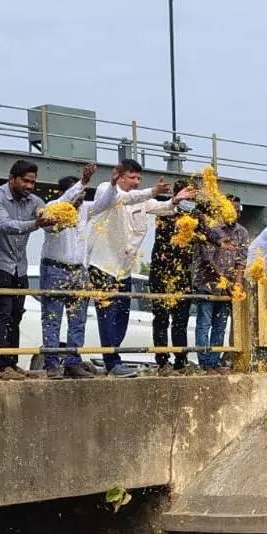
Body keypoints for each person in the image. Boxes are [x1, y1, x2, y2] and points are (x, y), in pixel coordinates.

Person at [85, 159, 190, 377]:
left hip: (124, 268)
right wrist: (151, 190)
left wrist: (175, 200)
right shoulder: (108, 190)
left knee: (122, 315)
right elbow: (123, 198)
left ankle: (113, 357)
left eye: (139, 179)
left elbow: (162, 208)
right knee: (107, 315)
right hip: (102, 265)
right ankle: (112, 362)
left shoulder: (143, 200)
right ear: (119, 175)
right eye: (132, 177)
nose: (136, 182)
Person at [0, 160, 54, 380]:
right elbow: (6, 225)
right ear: (11, 178)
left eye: (33, 182)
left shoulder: (34, 201)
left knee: (16, 315)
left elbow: (50, 221)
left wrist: (59, 217)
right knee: (2, 312)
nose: (30, 186)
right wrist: (36, 224)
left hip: (19, 266)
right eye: (25, 181)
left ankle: (11, 363)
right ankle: (0, 365)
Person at [39, 163, 96, 379]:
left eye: (82, 193)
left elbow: (108, 201)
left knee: (78, 318)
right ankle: (52, 364)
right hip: (54, 268)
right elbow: (63, 203)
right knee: (52, 317)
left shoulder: (86, 209)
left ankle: (73, 362)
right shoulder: (54, 206)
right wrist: (83, 181)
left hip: (78, 269)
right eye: (76, 192)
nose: (79, 197)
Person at [192, 201, 249, 373]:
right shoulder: (212, 229)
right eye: (232, 210)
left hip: (228, 288)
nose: (235, 214)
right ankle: (204, 363)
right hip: (207, 284)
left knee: (220, 326)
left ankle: (214, 362)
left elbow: (241, 260)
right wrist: (226, 282)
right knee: (204, 324)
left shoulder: (243, 232)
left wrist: (237, 283)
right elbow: (207, 261)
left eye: (238, 211)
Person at [149, 180, 196, 373]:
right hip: (162, 274)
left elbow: (205, 231)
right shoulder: (164, 214)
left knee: (180, 321)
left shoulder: (193, 218)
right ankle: (162, 361)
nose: (191, 200)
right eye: (188, 196)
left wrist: (218, 241)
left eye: (193, 197)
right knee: (161, 319)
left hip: (183, 277)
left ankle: (181, 359)